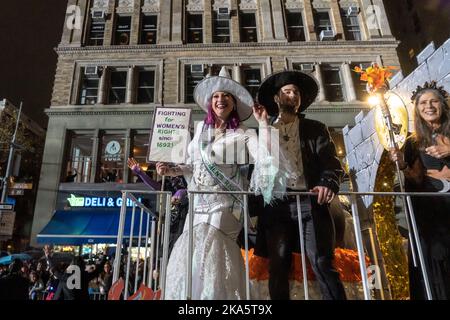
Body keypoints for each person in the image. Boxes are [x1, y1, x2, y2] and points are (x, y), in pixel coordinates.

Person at [155, 67, 281, 299]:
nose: (220, 99)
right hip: (198, 202)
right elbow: (193, 165)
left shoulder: (243, 133)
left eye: (225, 96)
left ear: (233, 103)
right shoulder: (203, 130)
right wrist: (170, 169)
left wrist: (263, 124)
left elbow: (266, 161)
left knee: (209, 245)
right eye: (215, 96)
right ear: (210, 102)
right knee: (190, 253)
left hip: (226, 204)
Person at [254, 70, 347, 300]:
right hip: (278, 205)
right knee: (278, 263)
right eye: (287, 91)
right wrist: (263, 125)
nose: (293, 96)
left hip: (310, 202)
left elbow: (331, 163)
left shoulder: (315, 128)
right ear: (277, 98)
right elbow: (258, 169)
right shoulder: (264, 130)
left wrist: (327, 183)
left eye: (296, 92)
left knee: (323, 262)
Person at [389, 81, 450, 300]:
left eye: (434, 101)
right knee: (434, 266)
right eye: (423, 103)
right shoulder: (414, 142)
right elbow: (416, 177)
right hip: (432, 217)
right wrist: (402, 163)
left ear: (443, 105)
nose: (429, 106)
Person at [127, 157, 188, 254]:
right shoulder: (168, 179)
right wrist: (140, 173)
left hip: (189, 211)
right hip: (176, 216)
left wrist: (182, 192)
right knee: (172, 242)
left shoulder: (187, 168)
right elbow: (158, 187)